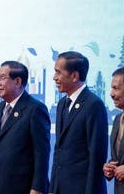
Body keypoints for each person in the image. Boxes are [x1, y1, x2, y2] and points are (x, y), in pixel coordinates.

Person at [0, 61, 50, 194]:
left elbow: (41, 153)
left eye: (3, 78)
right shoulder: (0, 108)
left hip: (21, 187)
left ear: (17, 81)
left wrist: (38, 187)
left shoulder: (35, 109)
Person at [50, 51, 107, 194]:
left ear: (74, 76)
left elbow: (97, 155)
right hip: (60, 188)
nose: (54, 77)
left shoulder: (93, 105)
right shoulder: (62, 104)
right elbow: (59, 150)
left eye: (58, 72)